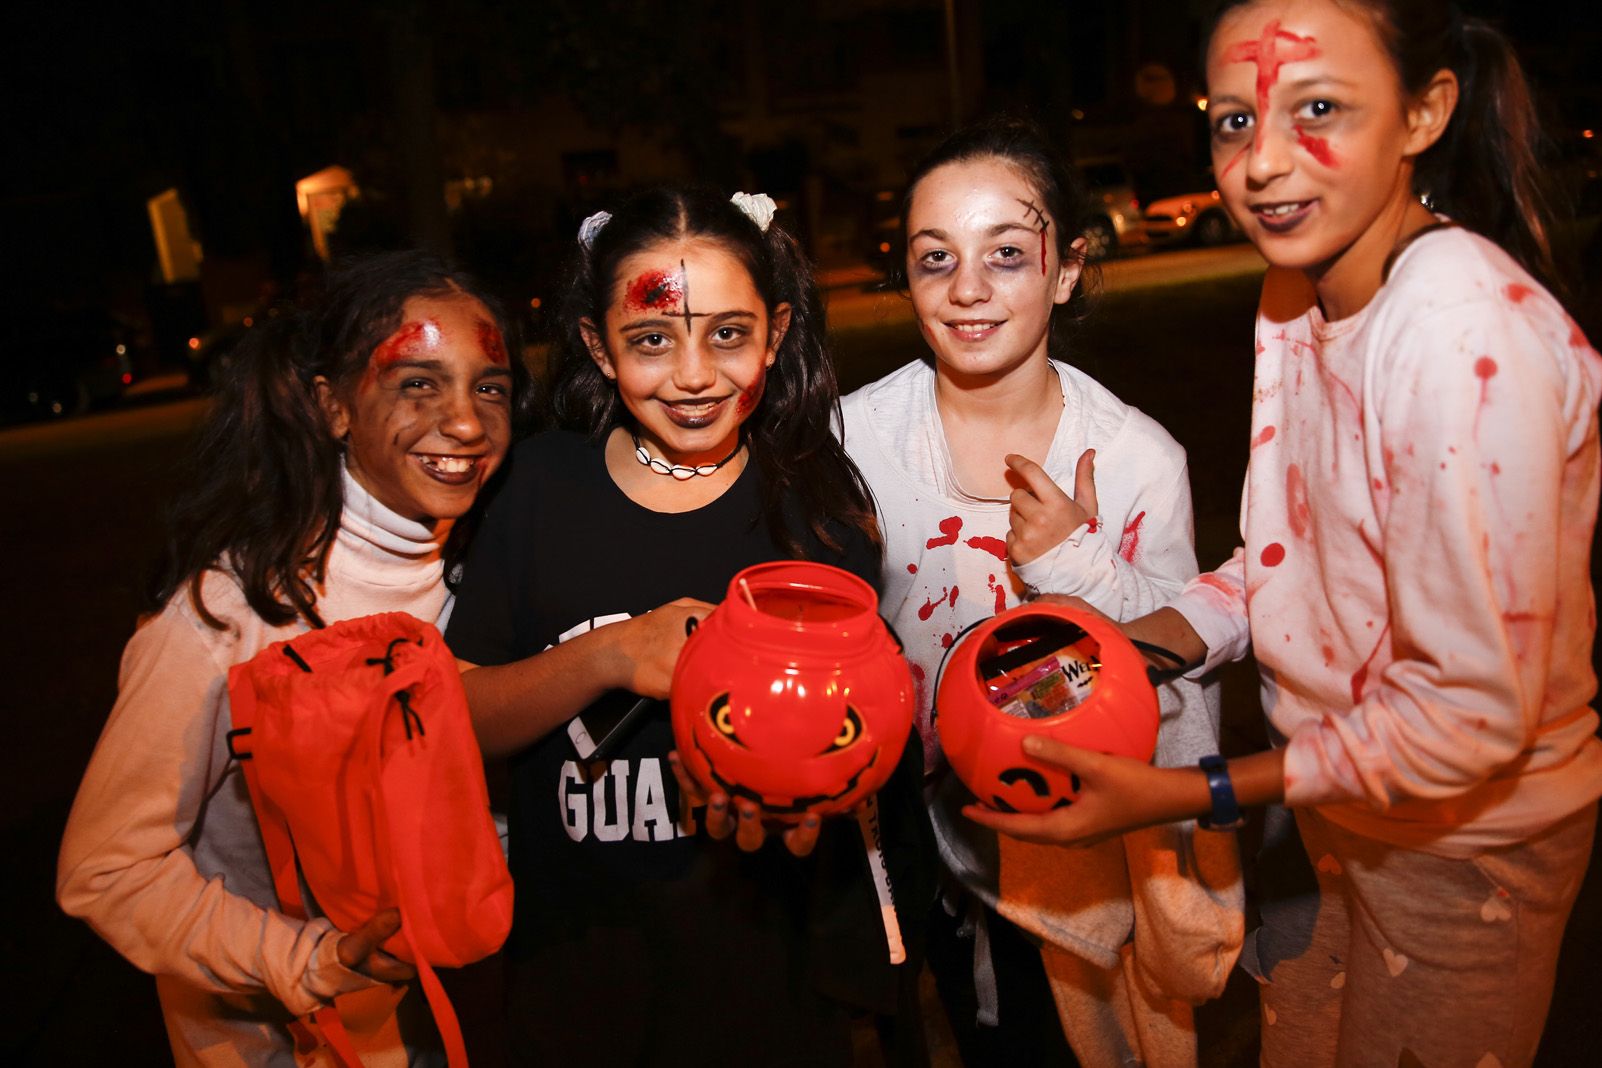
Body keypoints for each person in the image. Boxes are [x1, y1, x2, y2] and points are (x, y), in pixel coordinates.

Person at [966, 4, 1602, 1067]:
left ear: (1425, 112)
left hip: (1469, 851)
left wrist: (1184, 793)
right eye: (1230, 122)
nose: (1262, 163)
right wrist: (1118, 656)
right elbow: (1284, 566)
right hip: (1335, 809)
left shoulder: (1461, 337)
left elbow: (1470, 714)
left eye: (1318, 109)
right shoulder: (1293, 290)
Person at [443, 186, 935, 1067]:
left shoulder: (814, 514)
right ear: (598, 346)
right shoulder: (535, 490)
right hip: (575, 979)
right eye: (651, 339)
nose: (696, 375)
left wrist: (805, 798)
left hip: (765, 984)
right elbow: (457, 719)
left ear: (776, 334)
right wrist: (612, 654)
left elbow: (857, 742)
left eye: (729, 335)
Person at [56, 251, 532, 1065]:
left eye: (489, 386)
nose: (465, 422)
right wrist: (304, 960)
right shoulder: (232, 612)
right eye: (417, 382)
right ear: (333, 405)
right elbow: (106, 871)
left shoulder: (489, 581)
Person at [839, 117, 1243, 1067]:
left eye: (1008, 254)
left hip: (1073, 845)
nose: (968, 289)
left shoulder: (1139, 458)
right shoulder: (852, 444)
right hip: (908, 833)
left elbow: (1180, 669)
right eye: (935, 258)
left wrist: (1079, 562)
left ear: (1066, 270)